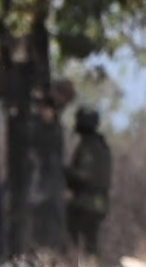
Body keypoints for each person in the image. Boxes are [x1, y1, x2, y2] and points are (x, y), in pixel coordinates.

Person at [65, 106, 112, 257]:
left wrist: (64, 172)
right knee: (91, 243)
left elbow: (85, 176)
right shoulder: (101, 145)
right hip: (99, 202)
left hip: (86, 202)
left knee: (70, 237)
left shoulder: (89, 147)